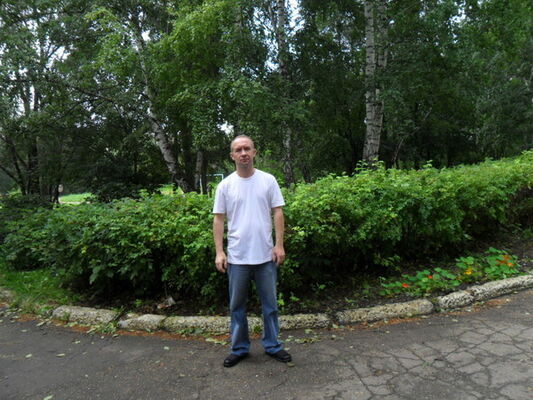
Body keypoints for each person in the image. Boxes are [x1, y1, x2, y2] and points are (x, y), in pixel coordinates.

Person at [213, 135, 292, 368]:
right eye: (238, 150)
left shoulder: (268, 180)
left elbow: (278, 212)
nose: (243, 153)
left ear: (254, 152)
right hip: (237, 258)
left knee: (271, 306)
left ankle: (273, 345)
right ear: (232, 156)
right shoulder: (225, 185)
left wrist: (279, 245)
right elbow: (219, 219)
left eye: (247, 148)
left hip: (266, 256)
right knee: (237, 307)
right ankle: (239, 348)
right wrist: (219, 252)